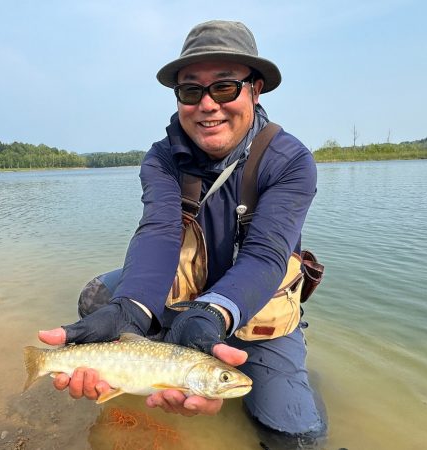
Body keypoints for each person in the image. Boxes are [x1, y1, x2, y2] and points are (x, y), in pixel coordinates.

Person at [38, 20, 326, 447]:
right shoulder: (162, 159)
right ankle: (147, 349)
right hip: (186, 294)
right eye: (192, 91)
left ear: (255, 89)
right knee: (100, 300)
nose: (208, 104)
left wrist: (211, 314)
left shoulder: (289, 161)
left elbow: (266, 256)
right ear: (180, 99)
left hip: (254, 303)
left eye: (225, 87)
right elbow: (158, 234)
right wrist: (131, 311)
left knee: (294, 433)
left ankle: (281, 366)